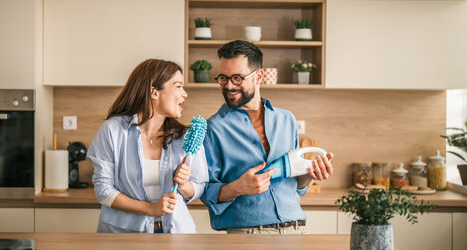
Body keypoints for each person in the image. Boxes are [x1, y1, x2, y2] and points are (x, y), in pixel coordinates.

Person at [201, 40, 334, 234]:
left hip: (296, 230)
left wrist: (310, 174)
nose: (229, 86)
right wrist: (237, 187)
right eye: (223, 77)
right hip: (247, 235)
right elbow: (204, 191)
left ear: (259, 76)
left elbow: (297, 185)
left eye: (237, 78)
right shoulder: (213, 128)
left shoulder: (286, 119)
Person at [87, 59, 208, 233]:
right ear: (154, 92)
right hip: (124, 237)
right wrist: (150, 209)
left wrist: (184, 185)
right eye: (178, 86)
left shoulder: (186, 137)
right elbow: (103, 190)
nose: (185, 94)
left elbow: (198, 187)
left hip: (176, 235)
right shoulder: (113, 131)